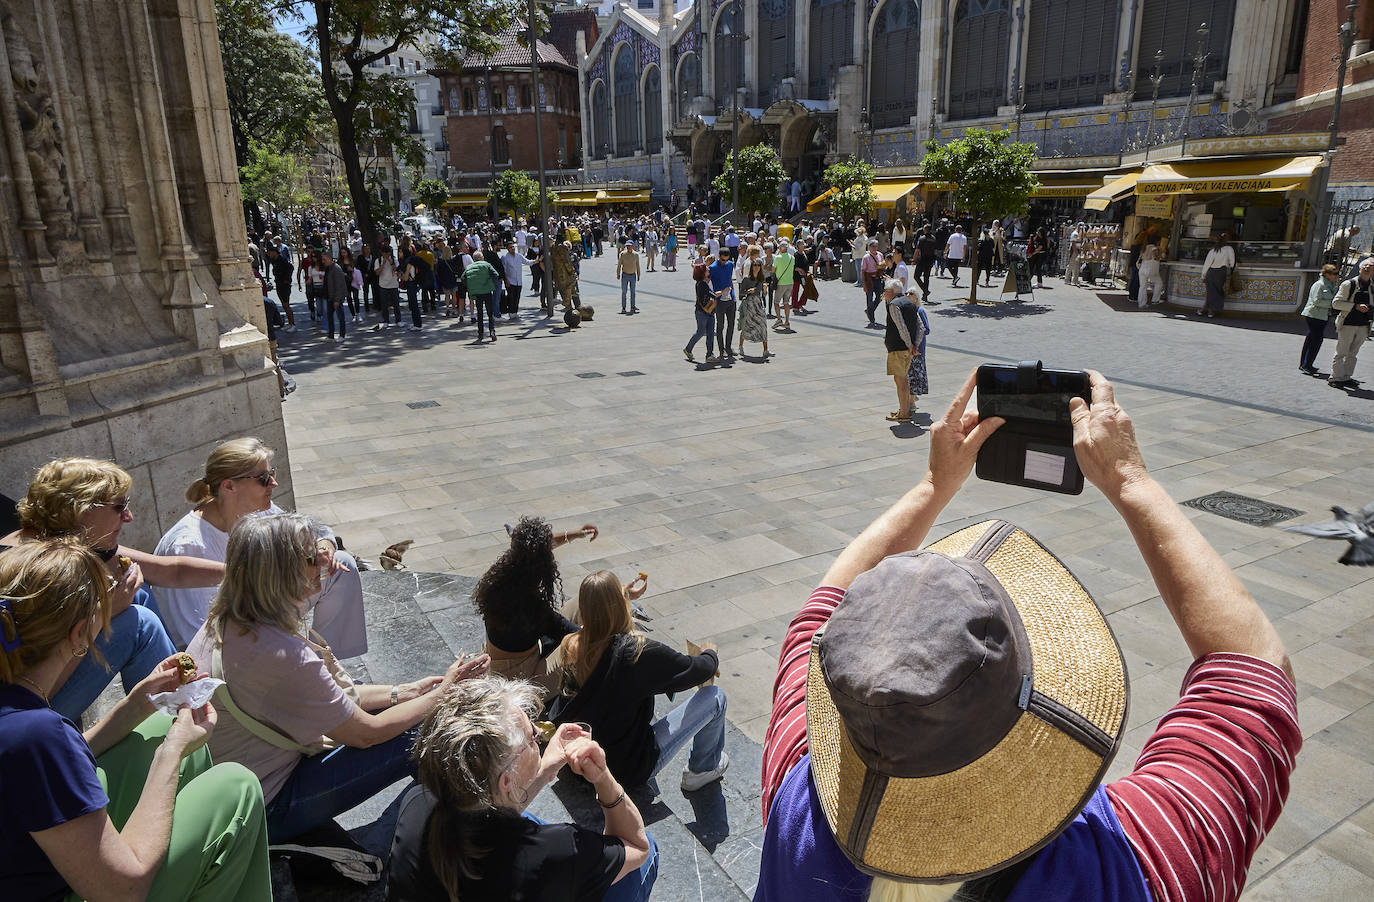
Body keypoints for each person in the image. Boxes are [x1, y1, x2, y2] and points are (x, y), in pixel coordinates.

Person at [754, 369, 1300, 902]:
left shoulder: (798, 803)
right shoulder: (1126, 869)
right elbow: (1250, 673)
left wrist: (932, 486)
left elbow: (819, 612)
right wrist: (1131, 479)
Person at [185, 513, 489, 843]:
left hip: (228, 792)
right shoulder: (284, 655)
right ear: (282, 572)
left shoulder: (227, 619)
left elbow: (339, 699)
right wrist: (441, 694)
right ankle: (401, 846)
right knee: (424, 732)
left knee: (408, 710)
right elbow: (365, 734)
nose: (324, 562)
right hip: (262, 811)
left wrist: (405, 692)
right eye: (312, 557)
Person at [1, 540, 273, 902]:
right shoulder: (38, 735)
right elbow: (122, 890)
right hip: (82, 889)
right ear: (79, 634)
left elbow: (56, 763)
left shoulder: (20, 711)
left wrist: (137, 703)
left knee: (159, 724)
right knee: (236, 785)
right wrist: (171, 755)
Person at [388, 678, 658, 902]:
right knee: (644, 859)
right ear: (507, 781)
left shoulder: (418, 802)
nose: (539, 739)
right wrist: (603, 777)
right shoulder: (552, 852)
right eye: (532, 738)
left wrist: (547, 768)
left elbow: (490, 813)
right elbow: (636, 845)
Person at [2, 458, 223, 723]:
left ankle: (174, 695)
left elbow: (170, 570)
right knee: (140, 624)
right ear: (80, 510)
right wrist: (105, 613)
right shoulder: (44, 570)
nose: (128, 517)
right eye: (119, 507)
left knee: (136, 591)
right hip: (25, 711)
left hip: (37, 692)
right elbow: (36, 683)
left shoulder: (66, 538)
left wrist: (240, 571)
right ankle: (180, 718)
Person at [155, 438, 368, 656]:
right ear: (229, 486)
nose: (274, 483)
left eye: (271, 473)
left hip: (255, 613)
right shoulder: (188, 545)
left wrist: (322, 549)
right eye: (263, 478)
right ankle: (300, 671)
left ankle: (328, 664)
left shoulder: (258, 510)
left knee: (341, 564)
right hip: (220, 649)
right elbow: (202, 634)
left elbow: (319, 532)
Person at [550, 571, 729, 792]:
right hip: (622, 770)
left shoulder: (572, 643)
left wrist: (622, 593)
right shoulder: (638, 653)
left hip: (579, 761)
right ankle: (702, 770)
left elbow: (599, 611)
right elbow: (698, 670)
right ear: (619, 605)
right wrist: (710, 653)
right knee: (715, 698)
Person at [473, 516, 598, 695]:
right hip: (520, 681)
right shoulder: (532, 607)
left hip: (502, 663)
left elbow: (533, 547)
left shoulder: (497, 584)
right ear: (545, 565)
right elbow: (575, 634)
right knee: (590, 643)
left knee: (582, 601)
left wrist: (578, 534)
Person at [1328, 256, 1373, 389]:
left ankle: (1346, 377)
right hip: (1348, 323)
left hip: (1364, 325)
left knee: (1353, 354)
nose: (1367, 268)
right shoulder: (1349, 284)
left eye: (1371, 267)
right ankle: (1335, 377)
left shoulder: (1372, 286)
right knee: (1341, 352)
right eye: (1365, 266)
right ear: (1360, 268)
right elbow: (1336, 303)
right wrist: (1355, 306)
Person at [879, 280, 915, 422]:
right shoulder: (909, 302)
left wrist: (909, 344)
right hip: (907, 349)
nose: (884, 293)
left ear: (891, 291)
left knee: (900, 380)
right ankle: (904, 410)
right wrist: (914, 344)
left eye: (885, 290)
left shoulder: (894, 304)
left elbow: (901, 327)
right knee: (903, 379)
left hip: (898, 348)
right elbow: (919, 326)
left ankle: (904, 413)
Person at [1298, 264, 1340, 376]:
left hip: (1323, 316)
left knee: (1311, 339)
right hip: (1314, 315)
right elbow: (1316, 301)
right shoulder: (1319, 285)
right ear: (1326, 274)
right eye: (1334, 273)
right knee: (1317, 340)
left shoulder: (1332, 285)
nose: (1336, 276)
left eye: (1337, 273)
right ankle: (1306, 365)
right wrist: (1333, 304)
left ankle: (1305, 364)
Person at [738, 244, 773, 359]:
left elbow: (764, 294)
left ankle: (765, 350)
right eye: (755, 265)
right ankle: (740, 346)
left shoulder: (761, 279)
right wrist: (748, 291)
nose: (757, 266)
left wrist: (764, 290)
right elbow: (741, 293)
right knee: (747, 325)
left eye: (759, 265)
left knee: (763, 325)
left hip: (758, 304)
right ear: (752, 266)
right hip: (749, 304)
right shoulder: (746, 279)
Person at [460, 250, 502, 342]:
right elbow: (496, 275)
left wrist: (471, 285)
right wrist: (489, 281)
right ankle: (492, 331)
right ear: (480, 258)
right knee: (489, 313)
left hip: (477, 293)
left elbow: (463, 278)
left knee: (479, 313)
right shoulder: (486, 264)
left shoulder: (469, 267)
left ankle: (480, 333)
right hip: (487, 291)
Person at [685, 251, 719, 363]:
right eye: (706, 269)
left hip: (707, 311)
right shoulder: (702, 284)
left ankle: (710, 354)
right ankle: (688, 348)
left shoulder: (702, 282)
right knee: (701, 332)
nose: (709, 269)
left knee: (709, 333)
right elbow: (709, 294)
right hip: (703, 312)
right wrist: (720, 293)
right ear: (702, 272)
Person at [1198, 232, 1235, 318]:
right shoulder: (1229, 249)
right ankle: (1208, 311)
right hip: (1221, 272)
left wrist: (1203, 275)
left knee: (1211, 292)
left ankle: (1205, 310)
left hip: (1211, 272)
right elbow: (1232, 262)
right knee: (1215, 292)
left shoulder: (1213, 250)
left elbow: (1207, 264)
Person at [710, 249, 738, 358]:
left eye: (726, 260)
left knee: (731, 324)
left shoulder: (730, 264)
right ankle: (721, 350)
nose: (724, 262)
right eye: (722, 260)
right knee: (720, 326)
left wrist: (733, 292)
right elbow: (707, 282)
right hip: (720, 300)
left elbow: (730, 279)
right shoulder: (713, 267)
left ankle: (728, 347)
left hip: (731, 299)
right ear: (719, 256)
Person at [266, 245, 297, 332]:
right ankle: (290, 323)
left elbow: (290, 268)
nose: (269, 254)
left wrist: (287, 280)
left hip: (284, 285)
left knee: (286, 305)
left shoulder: (282, 260)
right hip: (279, 284)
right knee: (284, 305)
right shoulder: (274, 261)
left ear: (274, 252)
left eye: (270, 253)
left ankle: (293, 324)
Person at [320, 249, 348, 343]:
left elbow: (339, 286)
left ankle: (342, 335)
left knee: (340, 317)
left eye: (324, 259)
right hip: (329, 296)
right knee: (330, 316)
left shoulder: (336, 268)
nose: (323, 262)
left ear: (329, 259)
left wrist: (337, 299)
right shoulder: (328, 268)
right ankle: (331, 335)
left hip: (336, 297)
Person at [373, 243, 403, 330]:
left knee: (396, 304)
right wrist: (383, 264)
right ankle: (386, 320)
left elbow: (397, 270)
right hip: (383, 285)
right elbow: (377, 273)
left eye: (388, 253)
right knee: (384, 304)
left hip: (393, 284)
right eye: (385, 253)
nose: (386, 255)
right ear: (382, 253)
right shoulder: (378, 260)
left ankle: (398, 320)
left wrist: (391, 263)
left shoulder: (394, 259)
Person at [499, 241, 530, 321]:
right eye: (510, 247)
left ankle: (515, 312)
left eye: (513, 247)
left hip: (518, 281)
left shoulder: (519, 256)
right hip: (510, 281)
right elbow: (504, 270)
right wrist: (506, 280)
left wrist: (536, 260)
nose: (512, 248)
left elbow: (527, 262)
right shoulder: (505, 258)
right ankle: (511, 312)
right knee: (511, 297)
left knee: (517, 297)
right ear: (507, 249)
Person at [860, 240, 883, 326]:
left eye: (876, 246)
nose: (875, 248)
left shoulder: (880, 255)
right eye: (873, 246)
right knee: (869, 298)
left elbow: (883, 265)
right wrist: (864, 284)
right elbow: (862, 271)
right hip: (869, 279)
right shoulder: (866, 257)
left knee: (880, 297)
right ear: (869, 247)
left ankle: (869, 311)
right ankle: (872, 317)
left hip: (878, 278)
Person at [1136, 240, 1163, 308]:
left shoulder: (1144, 248)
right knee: (1159, 283)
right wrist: (1160, 251)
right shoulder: (1153, 248)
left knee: (1142, 286)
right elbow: (1156, 257)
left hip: (1142, 268)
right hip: (1150, 270)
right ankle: (1155, 300)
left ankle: (1141, 303)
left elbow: (1141, 258)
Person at [618, 240, 641, 314]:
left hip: (633, 275)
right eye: (627, 246)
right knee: (624, 292)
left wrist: (638, 274)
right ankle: (623, 307)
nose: (628, 247)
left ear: (633, 246)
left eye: (630, 246)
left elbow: (637, 265)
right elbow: (619, 265)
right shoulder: (622, 254)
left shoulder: (636, 255)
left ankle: (632, 306)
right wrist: (618, 274)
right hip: (625, 275)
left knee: (633, 292)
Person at [944, 224, 968, 290]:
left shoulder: (952, 236)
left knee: (948, 266)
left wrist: (945, 252)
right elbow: (965, 247)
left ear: (955, 230)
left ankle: (955, 276)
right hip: (959, 255)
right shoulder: (964, 237)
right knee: (956, 267)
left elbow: (948, 244)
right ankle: (955, 279)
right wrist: (964, 256)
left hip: (952, 254)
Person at [1066, 221, 1088, 287]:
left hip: (1077, 251)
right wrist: (1077, 253)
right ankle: (1068, 279)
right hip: (1074, 251)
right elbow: (1073, 244)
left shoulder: (1078, 234)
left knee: (1076, 267)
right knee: (1071, 266)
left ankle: (1074, 280)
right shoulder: (1075, 234)